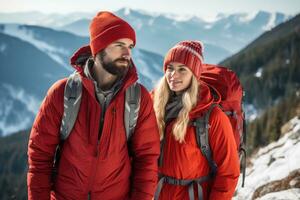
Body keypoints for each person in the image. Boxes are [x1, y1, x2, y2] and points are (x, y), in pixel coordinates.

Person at [27, 11, 160, 200]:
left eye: (130, 46)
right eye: (119, 45)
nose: (127, 53)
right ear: (98, 48)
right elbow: (40, 157)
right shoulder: (63, 93)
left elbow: (146, 160)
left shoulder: (138, 98)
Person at [152, 40, 240, 200]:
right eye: (170, 68)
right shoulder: (155, 106)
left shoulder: (212, 116)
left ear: (194, 74)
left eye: (182, 69)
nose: (173, 75)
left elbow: (229, 172)